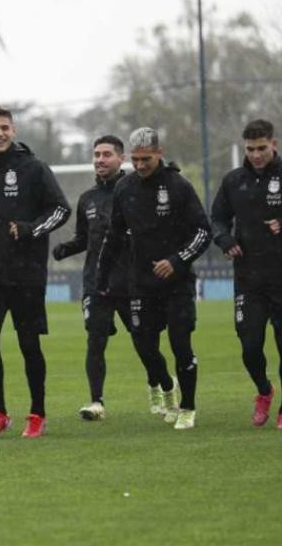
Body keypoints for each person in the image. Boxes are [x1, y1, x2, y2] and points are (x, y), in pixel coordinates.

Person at [0, 105, 71, 439]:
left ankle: (37, 413)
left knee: (28, 344)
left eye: (4, 128)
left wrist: (29, 229)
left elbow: (61, 210)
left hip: (26, 272)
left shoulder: (35, 168)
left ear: (14, 130)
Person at [97, 127, 210, 431]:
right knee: (144, 346)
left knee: (179, 344)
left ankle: (188, 406)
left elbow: (203, 231)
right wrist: (102, 277)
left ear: (160, 153)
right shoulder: (124, 188)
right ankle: (166, 386)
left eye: (146, 158)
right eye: (135, 159)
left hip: (178, 284)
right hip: (140, 283)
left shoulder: (179, 186)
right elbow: (114, 236)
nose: (140, 165)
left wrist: (177, 260)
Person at [53, 135, 161, 420]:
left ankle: (158, 385)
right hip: (96, 283)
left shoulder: (134, 191)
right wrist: (65, 248)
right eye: (97, 154)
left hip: (131, 282)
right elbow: (84, 238)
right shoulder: (87, 198)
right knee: (95, 338)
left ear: (121, 158)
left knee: (144, 342)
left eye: (106, 155)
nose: (100, 159)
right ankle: (96, 402)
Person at [210, 118, 282, 427]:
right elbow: (217, 219)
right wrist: (225, 240)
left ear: (274, 144)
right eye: (250, 149)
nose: (255, 155)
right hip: (248, 279)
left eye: (261, 148)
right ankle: (264, 390)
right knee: (250, 345)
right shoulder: (233, 181)